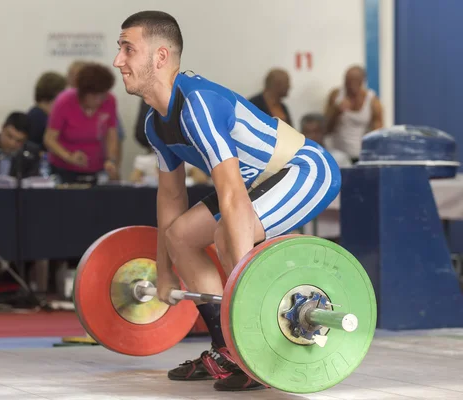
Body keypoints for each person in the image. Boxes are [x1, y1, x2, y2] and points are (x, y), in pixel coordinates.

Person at [113, 11, 341, 392]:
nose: (118, 60)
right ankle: (227, 351)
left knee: (228, 235)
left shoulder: (197, 104)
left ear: (160, 57)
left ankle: (252, 349)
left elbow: (232, 194)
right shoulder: (156, 124)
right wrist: (165, 272)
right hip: (256, 181)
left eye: (127, 49)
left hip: (306, 169)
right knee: (181, 236)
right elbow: (171, 196)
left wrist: (242, 284)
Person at [43, 63, 120, 185]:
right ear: (82, 93)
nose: (100, 100)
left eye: (103, 95)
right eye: (95, 96)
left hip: (96, 168)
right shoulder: (64, 102)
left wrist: (111, 159)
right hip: (63, 170)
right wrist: (69, 157)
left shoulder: (110, 101)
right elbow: (49, 139)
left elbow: (112, 134)